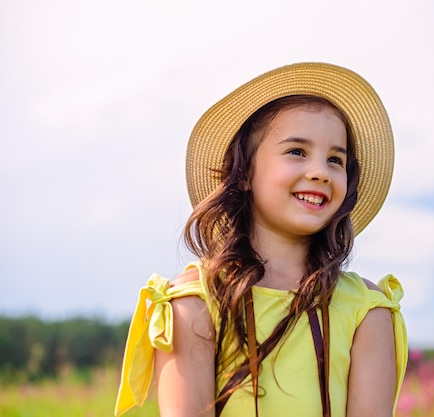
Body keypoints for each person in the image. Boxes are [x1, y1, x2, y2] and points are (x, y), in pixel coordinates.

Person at [114, 62, 408, 417]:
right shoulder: (194, 303)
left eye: (335, 159)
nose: (320, 172)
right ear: (244, 173)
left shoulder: (367, 310)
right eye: (297, 151)